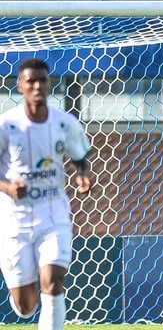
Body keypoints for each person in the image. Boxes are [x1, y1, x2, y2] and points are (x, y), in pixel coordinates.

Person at [0, 59, 92, 330]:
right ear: (20, 86)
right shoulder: (6, 125)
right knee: (26, 307)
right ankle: (19, 292)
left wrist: (83, 174)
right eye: (31, 81)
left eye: (43, 80)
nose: (38, 86)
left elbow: (81, 157)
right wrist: (7, 188)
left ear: (50, 84)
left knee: (52, 281)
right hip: (14, 219)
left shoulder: (65, 124)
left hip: (53, 213)